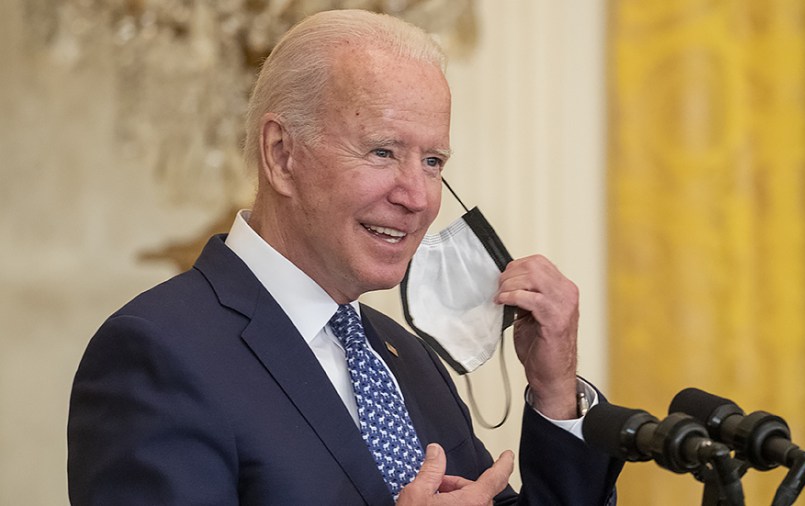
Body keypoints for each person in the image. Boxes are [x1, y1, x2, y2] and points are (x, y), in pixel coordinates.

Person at [67, 9, 622, 505]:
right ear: (282, 155)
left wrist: (555, 394)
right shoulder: (156, 352)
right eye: (383, 151)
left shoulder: (408, 356)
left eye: (432, 161)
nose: (417, 197)